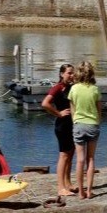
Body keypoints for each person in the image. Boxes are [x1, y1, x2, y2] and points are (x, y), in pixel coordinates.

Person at [68, 60, 101, 200]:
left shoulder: (74, 89)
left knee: (80, 160)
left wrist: (75, 122)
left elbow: (72, 109)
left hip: (79, 124)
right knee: (91, 158)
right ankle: (89, 191)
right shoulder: (95, 89)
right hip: (92, 124)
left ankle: (81, 192)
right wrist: (97, 121)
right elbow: (99, 110)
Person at [41, 63, 76, 199]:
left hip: (71, 124)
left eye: (73, 73)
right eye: (69, 73)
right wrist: (58, 113)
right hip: (62, 125)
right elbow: (45, 103)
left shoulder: (71, 87)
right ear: (62, 74)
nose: (71, 75)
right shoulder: (58, 87)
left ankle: (68, 183)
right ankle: (61, 187)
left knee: (71, 154)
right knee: (64, 155)